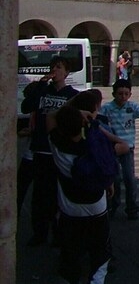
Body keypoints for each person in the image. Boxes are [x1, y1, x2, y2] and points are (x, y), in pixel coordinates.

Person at [49, 98, 117, 283]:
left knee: (71, 251)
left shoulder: (56, 144)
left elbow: (51, 117)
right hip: (97, 207)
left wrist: (74, 110)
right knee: (100, 252)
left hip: (70, 209)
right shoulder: (93, 144)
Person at [20, 55, 79, 246]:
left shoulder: (72, 94)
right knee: (39, 195)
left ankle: (59, 233)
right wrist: (40, 85)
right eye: (53, 67)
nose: (55, 71)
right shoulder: (43, 91)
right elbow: (26, 106)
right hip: (41, 150)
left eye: (59, 67)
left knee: (58, 195)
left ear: (67, 72)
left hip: (59, 151)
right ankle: (39, 233)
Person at [100, 78, 139, 219]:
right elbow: (99, 123)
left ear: (130, 94)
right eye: (120, 94)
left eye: (126, 94)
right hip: (113, 148)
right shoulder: (107, 108)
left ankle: (132, 207)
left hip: (128, 147)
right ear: (114, 94)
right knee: (115, 179)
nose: (123, 97)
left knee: (129, 178)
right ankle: (113, 204)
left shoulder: (132, 107)